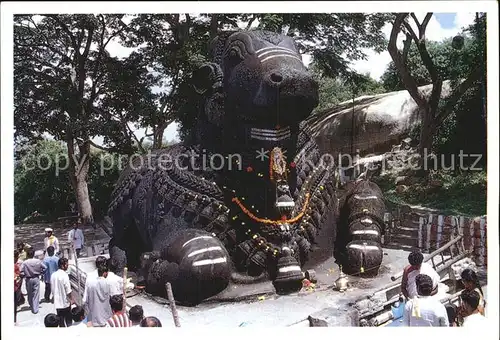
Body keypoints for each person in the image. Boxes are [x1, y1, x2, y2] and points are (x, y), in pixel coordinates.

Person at [20, 247, 47, 314]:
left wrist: (24, 274)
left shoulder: (25, 263)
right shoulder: (38, 261)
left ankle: (31, 304)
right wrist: (41, 273)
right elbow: (45, 268)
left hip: (28, 279)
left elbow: (21, 271)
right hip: (36, 278)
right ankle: (35, 308)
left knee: (29, 293)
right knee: (36, 293)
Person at [51, 257, 74, 327]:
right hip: (65, 303)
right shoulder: (65, 275)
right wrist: (71, 300)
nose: (67, 266)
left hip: (58, 303)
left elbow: (52, 288)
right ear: (62, 265)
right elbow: (68, 290)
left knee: (61, 321)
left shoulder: (53, 275)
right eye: (66, 265)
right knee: (69, 320)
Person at [15, 250, 24, 325]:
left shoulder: (20, 262)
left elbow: (22, 270)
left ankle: (18, 303)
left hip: (19, 279)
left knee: (18, 290)